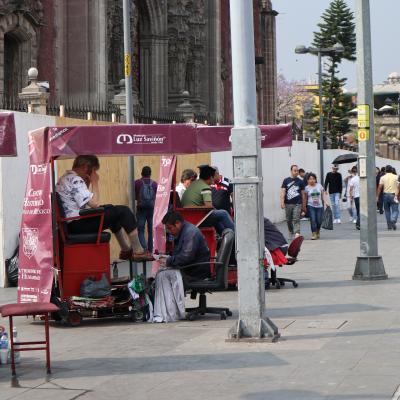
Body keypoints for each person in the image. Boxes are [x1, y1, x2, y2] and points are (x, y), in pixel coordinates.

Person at [56, 155, 150, 261]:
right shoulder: (75, 180)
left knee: (111, 209)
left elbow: (83, 201)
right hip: (77, 224)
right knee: (124, 211)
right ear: (86, 167)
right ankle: (138, 251)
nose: (95, 175)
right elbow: (94, 203)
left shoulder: (65, 178)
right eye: (94, 171)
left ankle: (125, 250)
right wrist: (95, 182)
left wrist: (88, 182)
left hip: (71, 224)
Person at [152, 212, 211, 323]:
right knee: (161, 273)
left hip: (196, 272)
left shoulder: (190, 233)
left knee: (163, 275)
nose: (169, 231)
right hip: (191, 268)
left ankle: (170, 312)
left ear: (178, 223)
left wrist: (168, 260)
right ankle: (169, 310)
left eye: (170, 228)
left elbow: (186, 257)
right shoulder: (183, 232)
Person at [181, 165, 234, 234]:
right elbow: (208, 207)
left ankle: (224, 235)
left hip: (190, 215)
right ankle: (237, 236)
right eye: (212, 177)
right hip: (197, 218)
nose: (213, 180)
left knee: (217, 215)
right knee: (223, 213)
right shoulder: (205, 187)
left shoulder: (195, 184)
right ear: (210, 177)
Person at [135, 166, 158, 252]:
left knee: (140, 229)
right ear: (150, 174)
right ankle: (151, 249)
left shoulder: (137, 183)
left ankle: (144, 249)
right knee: (150, 230)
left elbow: (134, 195)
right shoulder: (155, 184)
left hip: (141, 209)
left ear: (142, 173)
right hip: (152, 209)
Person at [280, 165, 305, 239]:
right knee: (288, 219)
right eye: (295, 170)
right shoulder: (286, 180)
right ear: (291, 171)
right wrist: (282, 202)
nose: (296, 172)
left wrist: (303, 205)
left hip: (298, 203)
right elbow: (283, 191)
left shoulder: (300, 181)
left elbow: (303, 194)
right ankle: (291, 231)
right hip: (288, 203)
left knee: (296, 218)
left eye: (297, 171)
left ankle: (297, 232)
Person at [302, 173, 328, 240]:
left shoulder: (319, 186)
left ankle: (318, 230)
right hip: (311, 206)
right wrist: (304, 207)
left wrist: (326, 202)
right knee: (313, 220)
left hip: (319, 206)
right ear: (307, 180)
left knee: (319, 221)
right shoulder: (306, 188)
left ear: (315, 179)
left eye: (313, 179)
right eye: (310, 179)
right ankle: (314, 233)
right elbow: (305, 198)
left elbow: (323, 195)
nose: (312, 180)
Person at [377, 165, 399, 230]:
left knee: (387, 211)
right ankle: (393, 219)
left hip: (385, 195)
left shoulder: (382, 177)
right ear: (392, 170)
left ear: (386, 170)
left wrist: (377, 196)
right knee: (395, 210)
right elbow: (398, 187)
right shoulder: (396, 177)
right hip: (394, 195)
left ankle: (389, 226)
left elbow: (379, 187)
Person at [349, 166, 360, 230]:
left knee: (358, 210)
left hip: (356, 197)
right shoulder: (364, 177)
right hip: (363, 196)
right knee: (363, 210)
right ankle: (359, 223)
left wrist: (351, 197)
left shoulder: (353, 179)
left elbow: (351, 189)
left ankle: (358, 223)